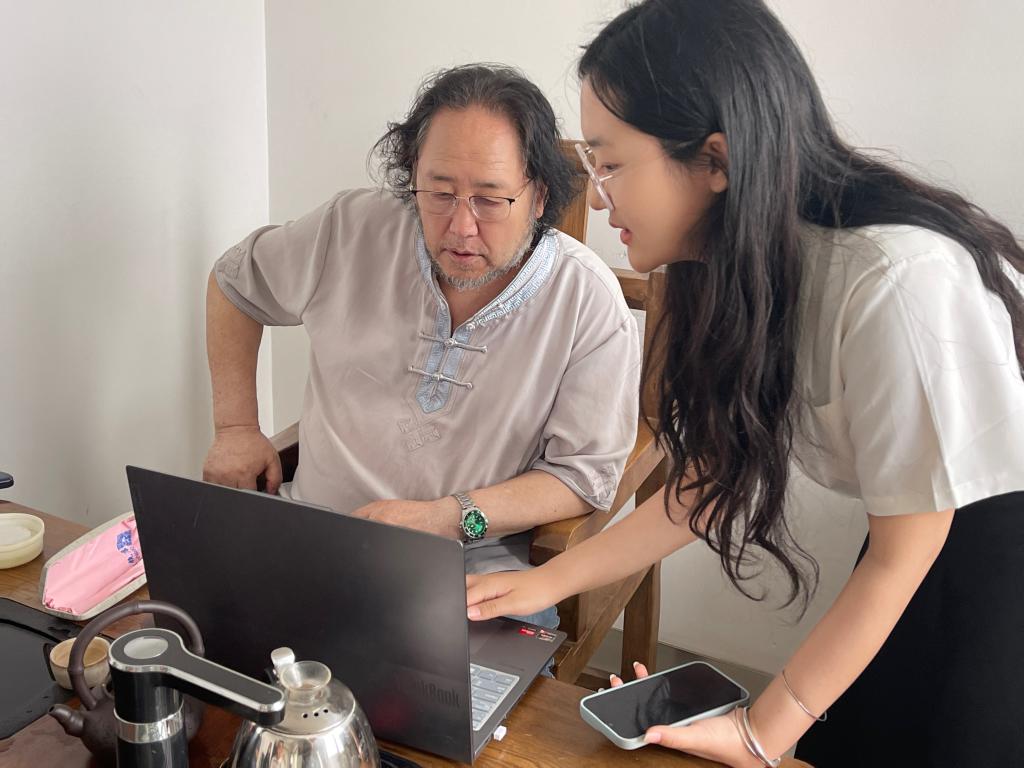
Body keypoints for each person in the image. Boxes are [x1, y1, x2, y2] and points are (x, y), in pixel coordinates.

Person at [465, 2, 1024, 765]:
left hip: (993, 539)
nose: (594, 196)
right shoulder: (738, 268)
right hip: (925, 532)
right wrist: (546, 582)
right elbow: (711, 481)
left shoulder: (896, 283)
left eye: (611, 163)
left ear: (716, 162)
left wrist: (761, 734)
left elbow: (908, 551)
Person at [203, 64, 641, 631]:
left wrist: (449, 518)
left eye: (490, 200)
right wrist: (236, 426)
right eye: (439, 192)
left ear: (539, 196)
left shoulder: (584, 300)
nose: (460, 227)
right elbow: (234, 284)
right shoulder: (351, 229)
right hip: (312, 538)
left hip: (468, 571)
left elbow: (581, 478)